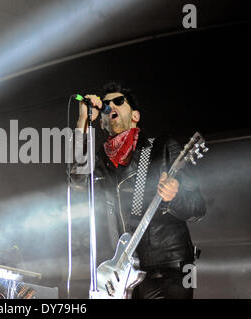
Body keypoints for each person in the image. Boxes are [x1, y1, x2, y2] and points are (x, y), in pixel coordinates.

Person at [70, 82, 206, 299]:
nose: (110, 105)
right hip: (122, 272)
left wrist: (174, 197)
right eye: (105, 104)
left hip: (167, 267)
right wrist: (82, 121)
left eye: (118, 101)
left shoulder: (162, 147)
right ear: (102, 121)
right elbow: (77, 182)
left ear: (135, 116)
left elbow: (198, 207)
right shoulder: (100, 162)